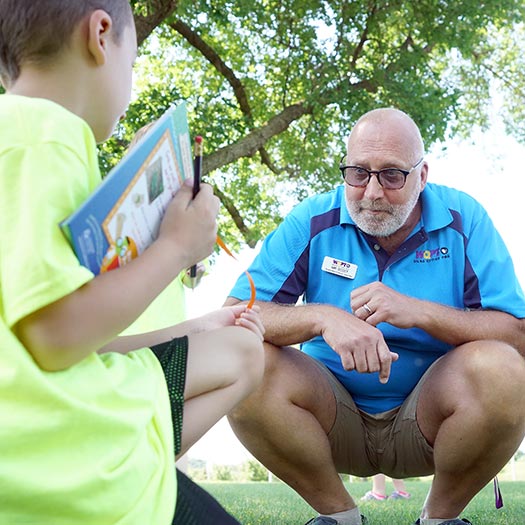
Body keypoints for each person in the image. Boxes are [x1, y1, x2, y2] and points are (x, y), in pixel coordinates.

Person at [0, 2, 264, 525]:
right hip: (55, 465)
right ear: (101, 35)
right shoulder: (47, 135)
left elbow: (46, 337)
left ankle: (147, 463)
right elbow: (56, 338)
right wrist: (178, 248)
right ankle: (141, 470)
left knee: (241, 351)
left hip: (42, 435)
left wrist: (200, 324)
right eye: (133, 62)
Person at [225, 107, 525, 525]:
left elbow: (516, 333)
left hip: (435, 422)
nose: (371, 192)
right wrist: (325, 318)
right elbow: (235, 315)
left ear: (422, 176)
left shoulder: (465, 218)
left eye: (392, 175)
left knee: (505, 369)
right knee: (240, 359)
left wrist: (419, 312)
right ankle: (340, 518)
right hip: (328, 419)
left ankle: (439, 519)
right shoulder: (312, 219)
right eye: (358, 173)